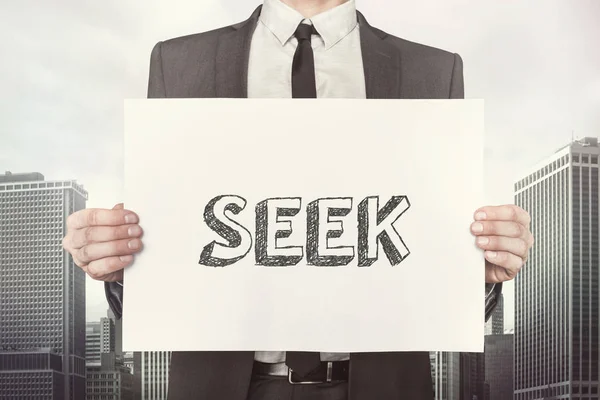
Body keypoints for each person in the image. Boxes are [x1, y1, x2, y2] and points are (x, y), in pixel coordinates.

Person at [62, 0, 534, 399]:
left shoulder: (434, 71)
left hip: (382, 384)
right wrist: (120, 264)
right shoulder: (178, 63)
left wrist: (480, 274)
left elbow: (427, 265)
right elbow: (174, 258)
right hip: (223, 386)